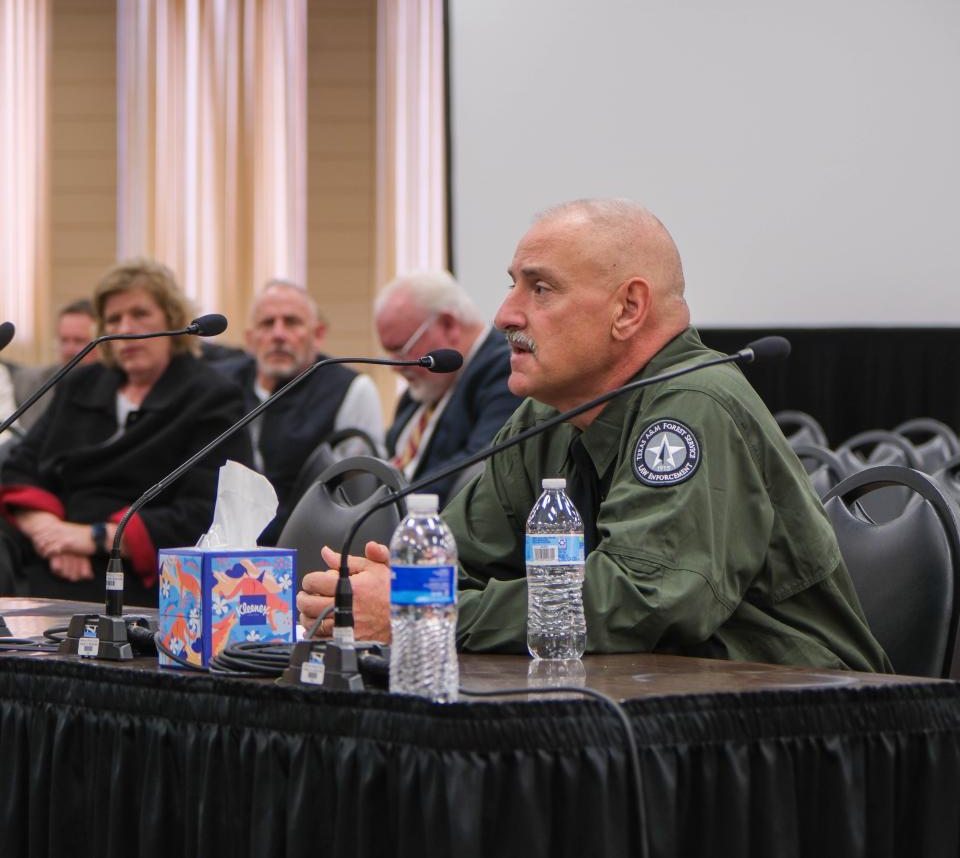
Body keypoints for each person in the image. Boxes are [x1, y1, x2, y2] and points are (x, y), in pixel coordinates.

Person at [298, 198, 891, 672]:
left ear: (629, 309)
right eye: (512, 285)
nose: (506, 313)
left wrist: (422, 608)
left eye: (540, 288)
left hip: (797, 718)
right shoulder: (549, 414)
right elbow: (461, 559)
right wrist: (389, 589)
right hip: (646, 702)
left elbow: (641, 600)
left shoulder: (692, 406)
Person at [0, 258, 251, 604]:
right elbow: (20, 466)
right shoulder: (82, 383)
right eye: (114, 319)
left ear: (173, 319)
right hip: (46, 544)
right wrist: (47, 530)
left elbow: (207, 511)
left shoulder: (211, 397)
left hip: (136, 565)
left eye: (140, 314)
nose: (126, 328)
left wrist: (94, 538)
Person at [213, 279, 384, 545]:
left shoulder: (351, 389)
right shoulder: (221, 385)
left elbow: (357, 497)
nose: (278, 334)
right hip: (222, 547)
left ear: (317, 334)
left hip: (311, 548)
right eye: (267, 324)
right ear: (250, 339)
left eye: (292, 322)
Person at [375, 270, 521, 505]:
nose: (395, 366)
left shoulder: (506, 370)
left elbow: (477, 468)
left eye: (401, 350)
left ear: (449, 325)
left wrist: (388, 507)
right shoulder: (423, 386)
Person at [12, 298, 100, 432]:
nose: (69, 350)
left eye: (79, 341)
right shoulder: (28, 382)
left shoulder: (113, 387)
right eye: (64, 340)